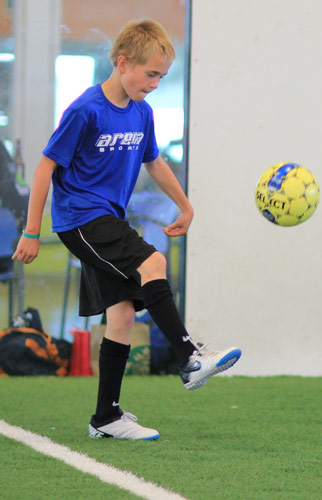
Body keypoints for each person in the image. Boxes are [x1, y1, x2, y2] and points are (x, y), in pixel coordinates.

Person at [12, 20, 241, 441]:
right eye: (150, 73)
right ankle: (189, 356)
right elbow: (46, 165)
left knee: (119, 314)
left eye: (162, 76)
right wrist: (30, 231)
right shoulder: (86, 109)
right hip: (80, 218)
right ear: (122, 63)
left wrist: (186, 205)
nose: (155, 83)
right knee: (152, 261)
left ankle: (106, 417)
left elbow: (154, 161)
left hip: (108, 219)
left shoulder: (142, 112)